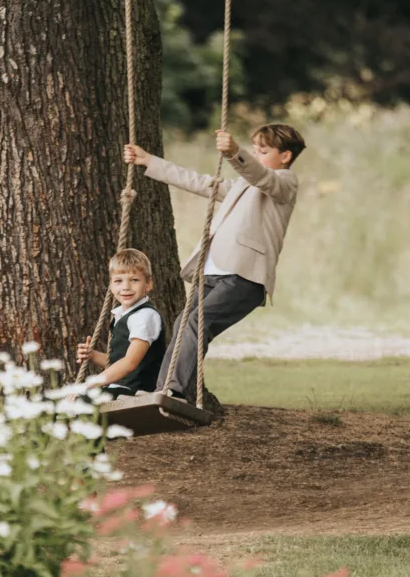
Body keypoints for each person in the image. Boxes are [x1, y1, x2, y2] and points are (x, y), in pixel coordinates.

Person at [124, 123, 306, 402]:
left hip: (243, 275)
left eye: (264, 151)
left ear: (285, 157)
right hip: (211, 272)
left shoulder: (284, 182)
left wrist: (236, 153)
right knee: (185, 327)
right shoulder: (242, 185)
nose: (256, 155)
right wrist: (148, 160)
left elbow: (261, 176)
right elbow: (199, 182)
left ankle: (171, 391)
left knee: (197, 322)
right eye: (254, 149)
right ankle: (166, 391)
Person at [76, 248, 166, 399]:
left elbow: (130, 363)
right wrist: (92, 355)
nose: (126, 287)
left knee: (78, 401)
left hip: (136, 392)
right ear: (111, 285)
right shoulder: (123, 315)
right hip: (121, 388)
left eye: (134, 280)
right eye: (118, 281)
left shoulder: (144, 316)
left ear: (148, 284)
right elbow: (119, 362)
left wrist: (90, 383)